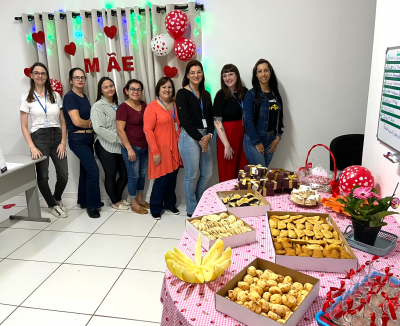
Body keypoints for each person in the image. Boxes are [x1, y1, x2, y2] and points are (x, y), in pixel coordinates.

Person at [20, 62, 68, 218]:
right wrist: (32, 147)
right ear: (32, 75)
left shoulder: (55, 95)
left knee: (63, 175)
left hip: (56, 136)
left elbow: (62, 121)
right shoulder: (26, 97)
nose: (40, 76)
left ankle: (57, 197)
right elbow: (24, 126)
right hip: (39, 138)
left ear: (47, 76)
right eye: (37, 73)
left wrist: (63, 142)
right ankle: (53, 205)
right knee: (43, 176)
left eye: (43, 73)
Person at [63, 68, 102, 218]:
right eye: (76, 77)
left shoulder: (83, 96)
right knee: (93, 170)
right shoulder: (70, 97)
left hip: (88, 138)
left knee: (86, 170)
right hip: (77, 139)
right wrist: (90, 124)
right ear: (71, 80)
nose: (80, 80)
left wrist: (88, 124)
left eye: (82, 77)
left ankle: (84, 200)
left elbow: (84, 120)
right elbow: (77, 121)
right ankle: (93, 206)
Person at [176, 60, 214, 217]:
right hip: (189, 136)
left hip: (205, 135)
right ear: (187, 75)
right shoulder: (182, 93)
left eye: (199, 72)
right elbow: (185, 120)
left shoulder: (206, 94)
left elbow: (211, 118)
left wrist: (209, 135)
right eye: (192, 72)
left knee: (207, 173)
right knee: (191, 175)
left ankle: (200, 201)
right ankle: (192, 208)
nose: (196, 75)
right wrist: (201, 139)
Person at [143, 77, 181, 220]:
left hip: (175, 149)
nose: (167, 90)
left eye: (170, 87)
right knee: (161, 180)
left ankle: (170, 204)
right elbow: (148, 130)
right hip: (160, 150)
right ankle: (156, 207)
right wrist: (155, 152)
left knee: (172, 179)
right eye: (164, 87)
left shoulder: (176, 105)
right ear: (158, 90)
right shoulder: (152, 107)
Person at [91, 77, 129, 211]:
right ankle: (115, 201)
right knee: (110, 175)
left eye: (111, 86)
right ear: (101, 91)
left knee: (125, 175)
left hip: (119, 145)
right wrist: (119, 139)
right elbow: (98, 128)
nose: (109, 89)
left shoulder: (118, 104)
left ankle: (117, 198)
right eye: (105, 87)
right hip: (105, 145)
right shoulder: (98, 106)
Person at [116, 79, 149, 214]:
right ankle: (134, 202)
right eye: (133, 89)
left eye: (138, 89)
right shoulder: (123, 107)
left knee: (142, 174)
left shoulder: (143, 104)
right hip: (131, 147)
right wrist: (129, 148)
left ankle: (140, 198)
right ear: (127, 91)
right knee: (133, 176)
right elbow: (120, 130)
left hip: (145, 147)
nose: (136, 92)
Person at [243, 59, 284, 167]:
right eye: (260, 71)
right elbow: (248, 121)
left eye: (266, 70)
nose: (263, 74)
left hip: (270, 141)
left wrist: (278, 137)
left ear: (270, 72)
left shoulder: (275, 94)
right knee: (262, 176)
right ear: (256, 74)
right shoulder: (251, 95)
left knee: (262, 176)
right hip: (254, 140)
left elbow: (280, 118)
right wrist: (256, 142)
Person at [213, 64, 248, 182]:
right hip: (227, 135)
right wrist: (226, 145)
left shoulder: (245, 92)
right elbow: (217, 122)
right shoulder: (221, 95)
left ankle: (242, 198)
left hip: (243, 133)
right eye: (224, 75)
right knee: (227, 169)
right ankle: (226, 198)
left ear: (237, 75)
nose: (228, 78)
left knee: (243, 169)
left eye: (231, 74)